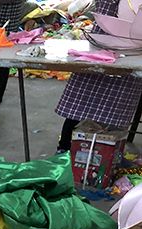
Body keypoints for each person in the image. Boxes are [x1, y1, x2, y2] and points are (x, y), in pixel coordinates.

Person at [55, 0, 142, 151]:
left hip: (133, 52)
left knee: (117, 111)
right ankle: (65, 148)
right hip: (101, 46)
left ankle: (109, 156)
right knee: (80, 104)